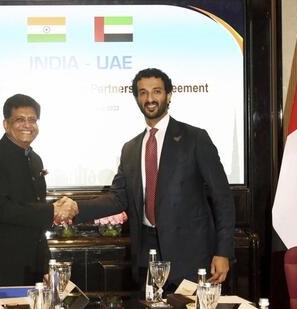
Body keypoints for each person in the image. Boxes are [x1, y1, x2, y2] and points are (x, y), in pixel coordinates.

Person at [71, 68, 235, 291]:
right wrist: (74, 208)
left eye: (156, 91)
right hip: (147, 256)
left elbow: (222, 198)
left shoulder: (195, 138)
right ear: (137, 98)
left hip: (191, 256)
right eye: (143, 93)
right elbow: (117, 199)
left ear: (168, 95)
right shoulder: (130, 148)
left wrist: (223, 251)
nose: (149, 98)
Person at [0, 94, 78, 289]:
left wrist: (46, 264)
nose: (27, 125)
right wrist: (52, 211)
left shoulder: (35, 159)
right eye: (20, 119)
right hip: (0, 269)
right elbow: (2, 210)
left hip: (32, 269)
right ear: (6, 124)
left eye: (32, 120)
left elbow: (36, 221)